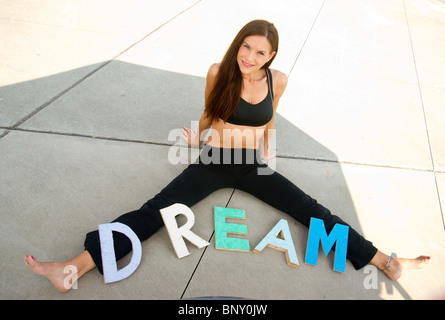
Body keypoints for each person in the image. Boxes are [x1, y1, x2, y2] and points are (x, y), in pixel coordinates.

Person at [25, 20, 430, 293]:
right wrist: (197, 136)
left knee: (313, 210)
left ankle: (385, 261)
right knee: (153, 212)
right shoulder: (219, 72)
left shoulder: (279, 80)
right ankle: (73, 268)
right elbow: (208, 113)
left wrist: (267, 152)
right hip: (214, 161)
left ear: (271, 57)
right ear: (239, 44)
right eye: (246, 47)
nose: (249, 57)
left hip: (253, 165)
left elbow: (269, 122)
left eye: (259, 53)